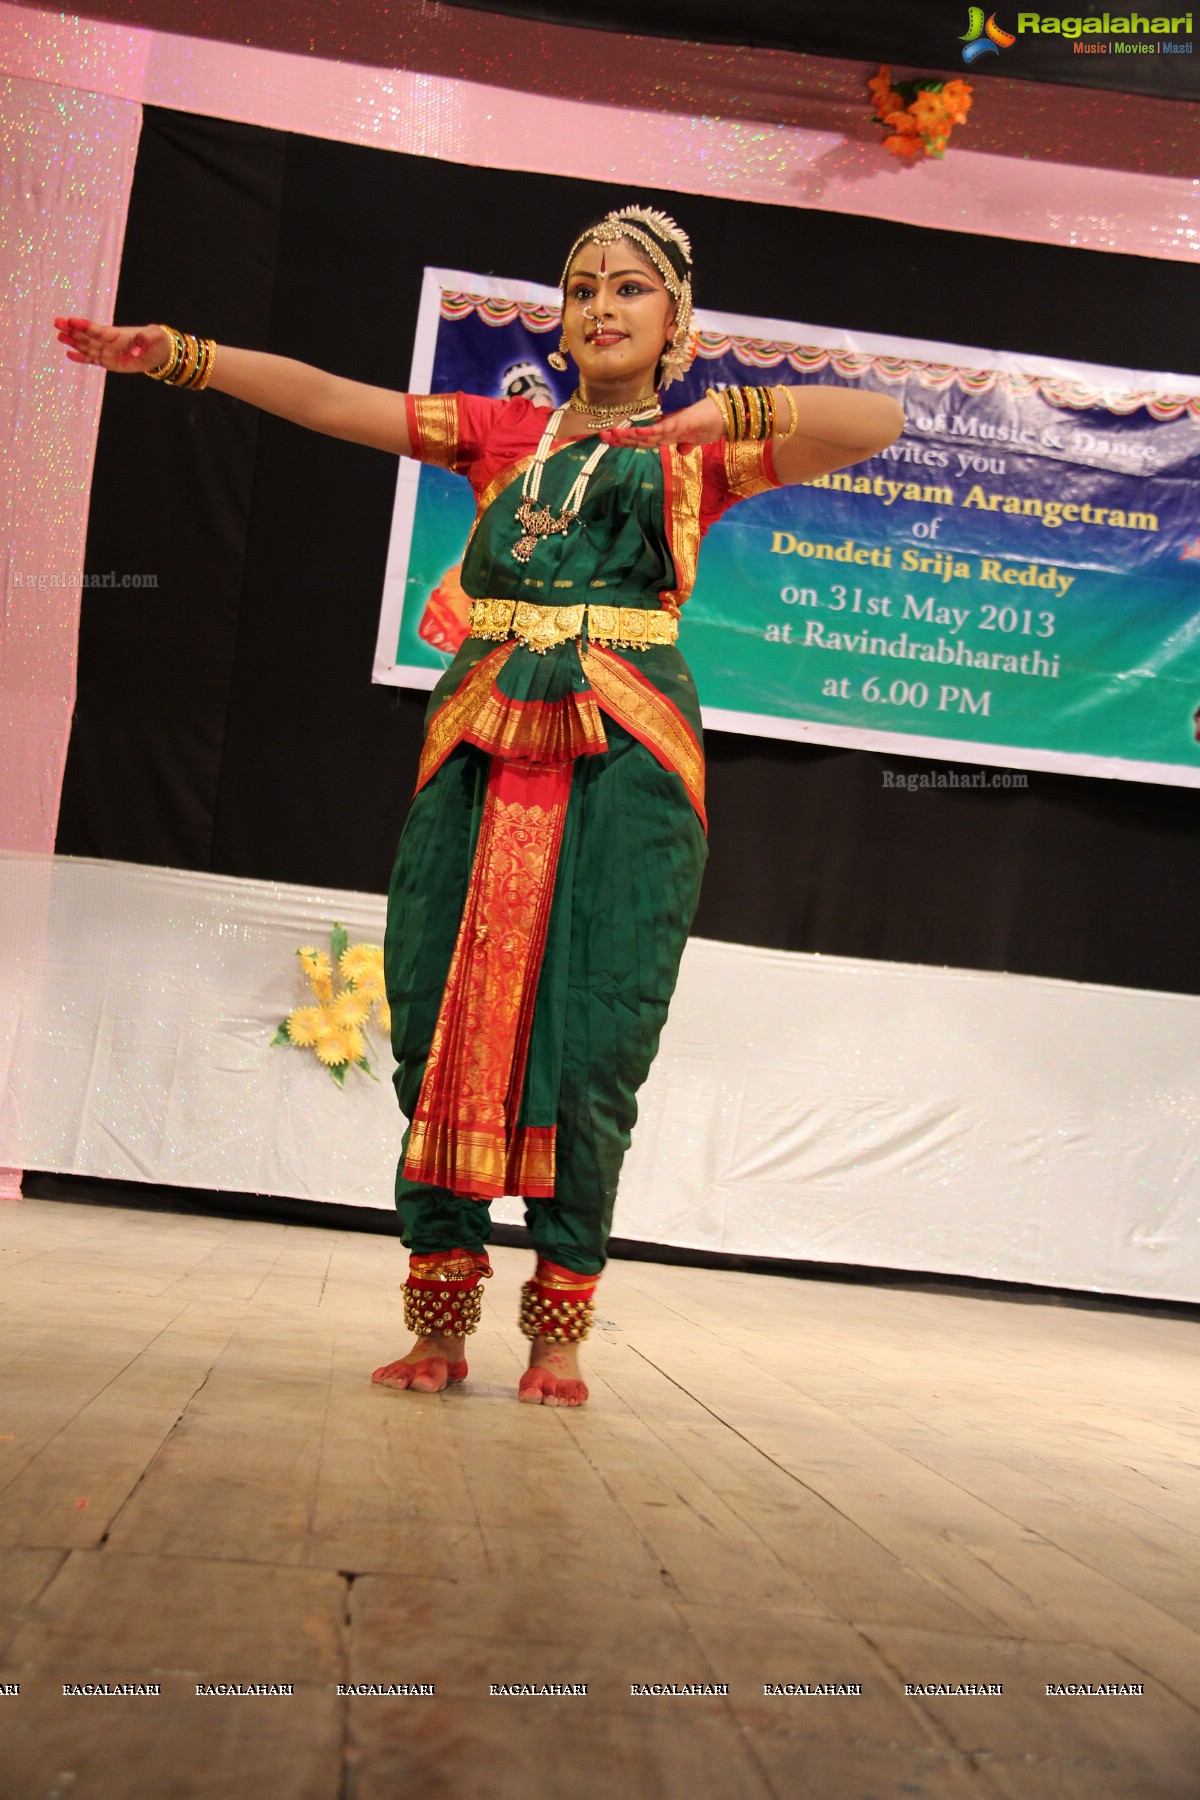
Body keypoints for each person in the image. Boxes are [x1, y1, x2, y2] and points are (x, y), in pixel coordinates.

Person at [53, 203, 903, 1409]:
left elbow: (885, 423)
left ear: (676, 324)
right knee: (437, 998)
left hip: (628, 750)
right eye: (582, 289)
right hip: (482, 734)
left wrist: (741, 408)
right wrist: (183, 355)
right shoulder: (505, 433)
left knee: (602, 1019)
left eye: (630, 290)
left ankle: (558, 1330)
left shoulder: (691, 450)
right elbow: (335, 400)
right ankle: (440, 1318)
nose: (600, 307)